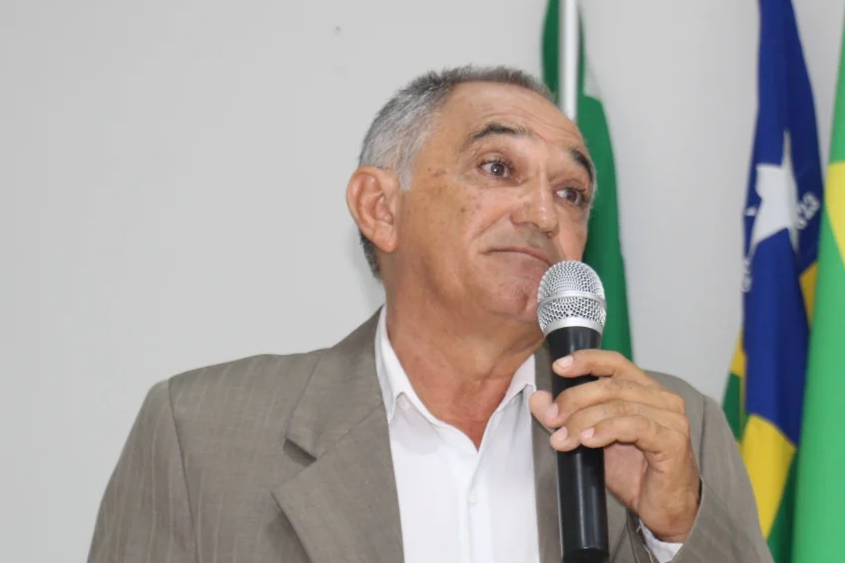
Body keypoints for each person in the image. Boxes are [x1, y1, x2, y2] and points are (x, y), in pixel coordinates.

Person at [87, 66, 772, 563]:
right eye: (497, 168)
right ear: (380, 208)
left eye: (570, 192)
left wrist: (676, 528)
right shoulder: (200, 434)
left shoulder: (673, 430)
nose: (543, 214)